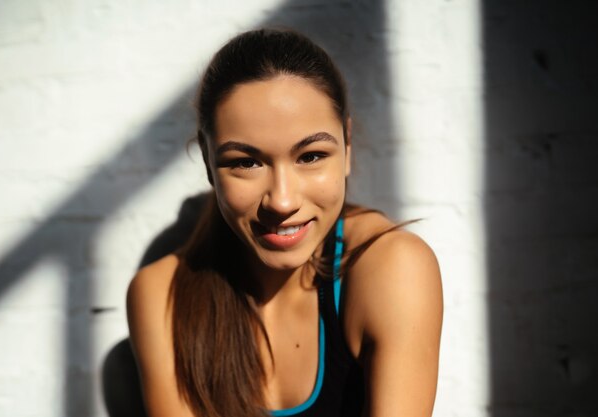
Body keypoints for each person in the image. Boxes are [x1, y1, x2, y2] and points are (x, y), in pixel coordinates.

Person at [126, 28, 443, 417]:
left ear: (346, 147)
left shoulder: (391, 268)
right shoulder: (163, 295)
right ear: (209, 165)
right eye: (245, 162)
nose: (282, 200)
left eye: (310, 156)